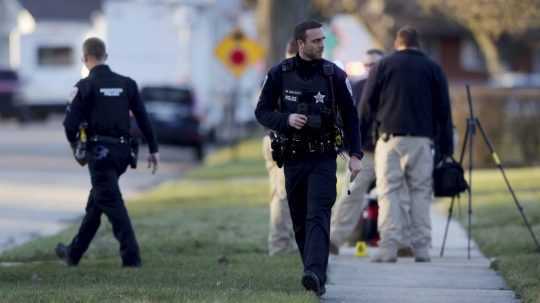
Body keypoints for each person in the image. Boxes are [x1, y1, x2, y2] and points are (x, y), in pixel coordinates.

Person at [255, 20, 362, 296]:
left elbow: (351, 117)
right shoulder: (279, 73)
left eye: (322, 40)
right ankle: (313, 273)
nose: (321, 45)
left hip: (324, 157)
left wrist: (355, 154)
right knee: (300, 219)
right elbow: (262, 112)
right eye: (315, 41)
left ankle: (314, 272)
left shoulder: (334, 75)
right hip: (293, 158)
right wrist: (286, 119)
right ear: (300, 44)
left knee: (318, 215)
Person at [56, 37, 159, 267]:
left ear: (84, 59)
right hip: (123, 153)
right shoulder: (127, 84)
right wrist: (154, 149)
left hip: (99, 154)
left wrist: (77, 148)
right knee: (97, 203)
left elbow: (69, 125)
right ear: (106, 57)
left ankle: (131, 258)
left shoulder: (84, 86)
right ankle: (73, 253)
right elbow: (143, 118)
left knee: (111, 202)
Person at [359, 26, 454, 263]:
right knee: (421, 193)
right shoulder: (433, 68)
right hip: (422, 141)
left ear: (397, 43)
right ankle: (421, 248)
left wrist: (360, 138)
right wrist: (446, 148)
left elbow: (367, 104)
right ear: (417, 44)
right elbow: (444, 110)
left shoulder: (383, 65)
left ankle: (389, 248)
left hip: (390, 139)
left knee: (388, 192)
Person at [330, 49, 414, 257]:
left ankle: (400, 242)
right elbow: (342, 119)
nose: (371, 69)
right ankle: (333, 239)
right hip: (364, 153)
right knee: (350, 195)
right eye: (367, 65)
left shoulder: (395, 89)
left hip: (391, 151)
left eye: (376, 64)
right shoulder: (356, 87)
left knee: (398, 196)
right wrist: (346, 149)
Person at [263, 40, 298, 256]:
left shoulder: (274, 75)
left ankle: (287, 243)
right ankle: (279, 245)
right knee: (283, 195)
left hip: (272, 139)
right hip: (281, 141)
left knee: (282, 192)